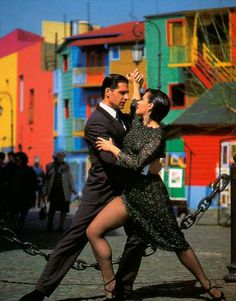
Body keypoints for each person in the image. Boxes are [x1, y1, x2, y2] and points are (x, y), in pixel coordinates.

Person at [19, 71, 159, 301]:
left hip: (125, 188)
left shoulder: (120, 118)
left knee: (138, 236)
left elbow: (138, 113)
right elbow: (111, 160)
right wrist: (142, 163)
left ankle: (122, 288)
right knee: (75, 236)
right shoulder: (96, 123)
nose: (125, 97)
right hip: (101, 189)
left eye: (126, 93)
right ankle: (41, 290)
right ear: (108, 92)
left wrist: (138, 87)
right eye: (121, 93)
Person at [86, 74, 226, 301]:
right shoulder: (137, 122)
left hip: (151, 197)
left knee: (178, 243)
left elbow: (134, 163)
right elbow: (133, 102)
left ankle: (207, 284)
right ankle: (111, 284)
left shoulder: (157, 135)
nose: (136, 101)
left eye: (143, 99)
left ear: (149, 107)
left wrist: (113, 149)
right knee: (93, 231)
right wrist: (135, 85)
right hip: (131, 195)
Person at [44, 151, 76, 232]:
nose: (61, 158)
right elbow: (47, 179)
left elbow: (70, 177)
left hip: (64, 191)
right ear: (56, 157)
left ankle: (60, 227)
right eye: (60, 156)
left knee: (63, 210)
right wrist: (45, 190)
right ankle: (49, 226)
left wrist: (72, 188)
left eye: (62, 156)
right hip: (54, 191)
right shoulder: (50, 166)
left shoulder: (66, 166)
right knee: (52, 210)